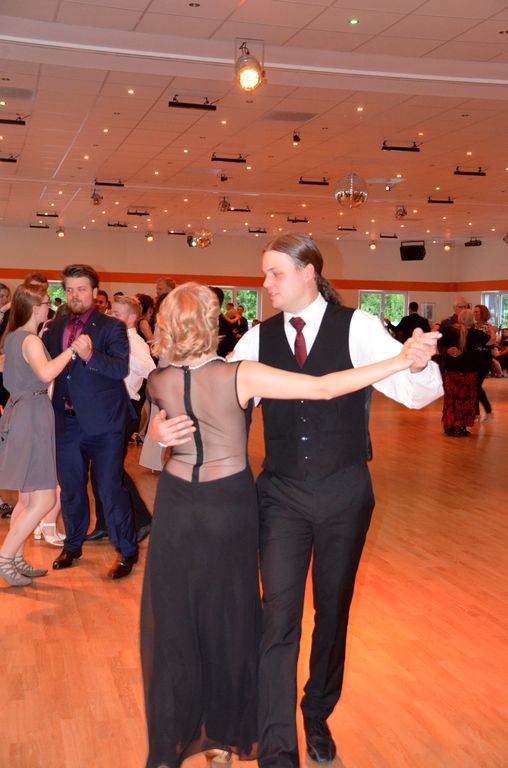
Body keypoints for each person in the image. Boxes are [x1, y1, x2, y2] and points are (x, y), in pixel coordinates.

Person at [141, 281, 439, 768]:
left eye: (274, 273)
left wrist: (156, 432)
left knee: (200, 619)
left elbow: (172, 419)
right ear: (211, 323)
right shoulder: (247, 357)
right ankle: (264, 744)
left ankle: (271, 722)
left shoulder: (160, 379)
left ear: (306, 272)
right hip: (253, 501)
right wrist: (401, 357)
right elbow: (321, 387)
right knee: (257, 618)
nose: (266, 283)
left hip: (199, 504)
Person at [43, 264, 139, 579]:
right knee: (71, 488)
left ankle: (126, 550)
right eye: (69, 289)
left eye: (81, 289)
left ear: (95, 293)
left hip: (105, 424)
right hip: (66, 422)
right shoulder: (55, 327)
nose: (75, 295)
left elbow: (120, 369)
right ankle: (72, 545)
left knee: (110, 489)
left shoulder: (112, 327)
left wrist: (89, 356)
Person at [0, 283, 88, 586]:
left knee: (27, 499)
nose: (49, 305)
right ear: (34, 307)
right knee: (44, 499)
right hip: (32, 415)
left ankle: (15, 557)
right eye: (45, 302)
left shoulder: (13, 337)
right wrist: (72, 350)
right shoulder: (30, 341)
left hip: (24, 411)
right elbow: (47, 373)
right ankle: (5, 557)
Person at [86, 295, 155, 543]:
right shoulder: (115, 337)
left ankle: (143, 519)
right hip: (107, 408)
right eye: (111, 312)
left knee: (109, 469)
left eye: (117, 313)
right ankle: (104, 523)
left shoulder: (134, 341)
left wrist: (120, 356)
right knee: (100, 470)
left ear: (132, 317)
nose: (111, 316)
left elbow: (150, 369)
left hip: (123, 408)